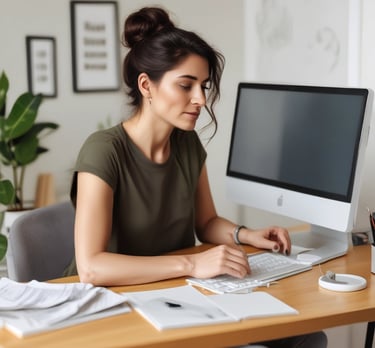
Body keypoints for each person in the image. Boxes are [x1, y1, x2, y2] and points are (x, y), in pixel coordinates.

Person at [67, 6, 327, 348]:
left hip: (176, 296)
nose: (200, 99)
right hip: (110, 308)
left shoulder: (186, 142)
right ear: (146, 85)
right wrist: (193, 263)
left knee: (306, 338)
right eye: (186, 85)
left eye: (203, 86)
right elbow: (92, 268)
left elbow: (205, 223)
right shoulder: (104, 150)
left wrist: (246, 234)